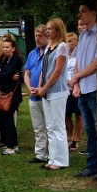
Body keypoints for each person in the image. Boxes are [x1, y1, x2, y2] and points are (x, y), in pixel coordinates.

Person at [70, 0, 97, 178]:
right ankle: (92, 165)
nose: (80, 15)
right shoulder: (84, 35)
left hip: (95, 88)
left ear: (94, 13)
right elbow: (78, 61)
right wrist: (77, 83)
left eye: (84, 11)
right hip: (83, 89)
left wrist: (77, 77)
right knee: (90, 131)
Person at [35, 18, 70, 169]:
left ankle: (61, 160)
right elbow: (45, 69)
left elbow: (57, 72)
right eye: (47, 28)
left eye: (50, 29)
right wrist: (39, 87)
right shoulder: (49, 47)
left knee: (58, 126)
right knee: (50, 126)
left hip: (57, 91)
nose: (47, 31)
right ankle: (52, 157)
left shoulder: (62, 47)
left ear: (58, 31)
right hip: (47, 92)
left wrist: (45, 88)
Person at [0, 34, 24, 155]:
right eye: (4, 47)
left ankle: (11, 146)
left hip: (12, 94)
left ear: (13, 48)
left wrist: (3, 73)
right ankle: (11, 143)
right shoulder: (4, 59)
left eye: (7, 47)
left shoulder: (16, 60)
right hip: (4, 92)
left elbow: (6, 73)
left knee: (8, 119)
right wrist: (4, 74)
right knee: (3, 119)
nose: (5, 49)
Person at [24, 24, 48, 164]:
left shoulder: (50, 52)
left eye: (41, 36)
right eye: (36, 36)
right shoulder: (33, 53)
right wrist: (29, 87)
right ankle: (40, 154)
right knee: (38, 126)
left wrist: (40, 87)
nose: (38, 38)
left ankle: (53, 153)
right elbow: (27, 73)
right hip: (33, 95)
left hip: (46, 94)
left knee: (50, 126)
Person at [64, 31, 82, 151]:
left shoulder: (79, 55)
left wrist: (75, 82)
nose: (69, 44)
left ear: (76, 42)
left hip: (76, 87)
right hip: (65, 88)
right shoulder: (64, 56)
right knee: (67, 114)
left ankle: (76, 138)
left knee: (78, 114)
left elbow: (80, 70)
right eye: (67, 41)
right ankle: (69, 137)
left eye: (70, 41)